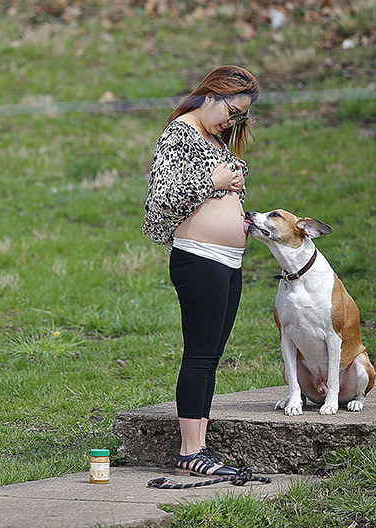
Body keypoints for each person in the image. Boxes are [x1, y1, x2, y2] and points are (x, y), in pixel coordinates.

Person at [142, 65, 260, 476]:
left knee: (210, 357)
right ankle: (190, 452)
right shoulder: (180, 133)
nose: (235, 121)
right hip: (199, 257)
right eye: (233, 110)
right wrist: (215, 180)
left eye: (242, 116)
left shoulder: (213, 138)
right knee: (199, 355)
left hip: (228, 261)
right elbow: (163, 196)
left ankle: (200, 448)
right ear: (211, 95)